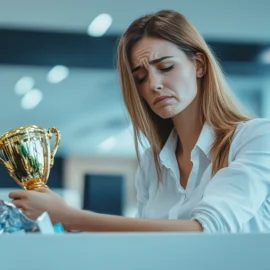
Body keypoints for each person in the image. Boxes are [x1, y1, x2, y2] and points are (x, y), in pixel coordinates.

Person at [9, 10, 270, 233]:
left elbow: (206, 230)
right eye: (141, 77)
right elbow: (144, 247)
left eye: (166, 67)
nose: (154, 85)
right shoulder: (151, 164)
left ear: (199, 65)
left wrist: (69, 216)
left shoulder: (256, 138)